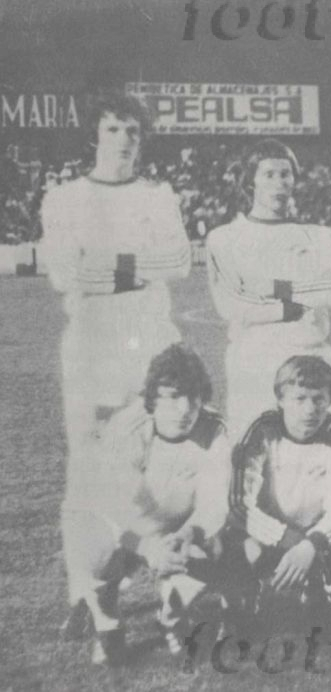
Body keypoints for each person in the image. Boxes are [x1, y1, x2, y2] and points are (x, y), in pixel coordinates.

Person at [41, 92, 192, 627]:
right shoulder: (65, 198)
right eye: (112, 129)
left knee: (155, 463)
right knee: (87, 468)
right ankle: (82, 590)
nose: (124, 139)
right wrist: (140, 268)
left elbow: (180, 260)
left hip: (151, 341)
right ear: (94, 136)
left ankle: (128, 576)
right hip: (92, 345)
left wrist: (106, 268)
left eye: (132, 130)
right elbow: (66, 273)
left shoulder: (158, 195)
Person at [60, 345, 229, 666]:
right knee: (93, 545)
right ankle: (108, 624)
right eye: (173, 396)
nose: (184, 408)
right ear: (153, 397)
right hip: (124, 528)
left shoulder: (215, 430)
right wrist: (148, 547)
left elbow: (215, 502)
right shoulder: (127, 429)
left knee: (216, 548)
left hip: (176, 530)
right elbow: (114, 508)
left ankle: (170, 615)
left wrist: (189, 534)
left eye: (193, 396)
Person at [206, 138, 331, 439]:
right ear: (251, 181)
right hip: (254, 361)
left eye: (285, 174)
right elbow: (230, 304)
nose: (279, 183)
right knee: (253, 450)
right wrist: (293, 305)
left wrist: (266, 290)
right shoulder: (226, 238)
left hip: (311, 356)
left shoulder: (318, 237)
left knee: (320, 450)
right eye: (268, 174)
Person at [228, 356, 331, 626]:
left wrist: (311, 545)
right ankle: (258, 595)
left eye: (318, 399)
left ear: (330, 401)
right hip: (275, 536)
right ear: (280, 399)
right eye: (300, 399)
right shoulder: (262, 430)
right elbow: (239, 505)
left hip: (320, 539)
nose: (310, 410)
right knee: (246, 551)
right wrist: (289, 539)